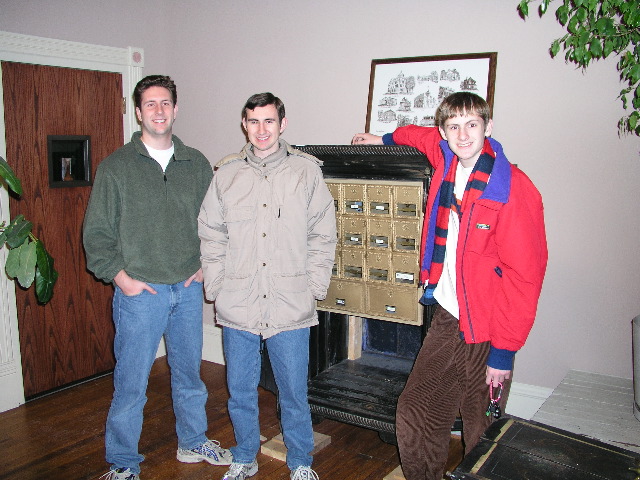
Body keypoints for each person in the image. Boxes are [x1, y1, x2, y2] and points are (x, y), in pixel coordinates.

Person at [352, 92, 547, 480]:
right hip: (449, 314)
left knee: (482, 428)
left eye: (471, 124)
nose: (462, 134)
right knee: (415, 411)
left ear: (487, 127)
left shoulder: (512, 188)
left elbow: (526, 277)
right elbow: (419, 136)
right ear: (444, 131)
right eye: (453, 126)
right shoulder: (444, 159)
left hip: (490, 327)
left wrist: (504, 355)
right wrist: (385, 139)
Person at [83, 75, 231, 480]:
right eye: (150, 104)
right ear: (138, 112)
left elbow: (215, 222)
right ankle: (123, 463)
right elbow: (96, 234)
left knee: (190, 376)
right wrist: (121, 279)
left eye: (165, 103)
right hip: (140, 294)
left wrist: (205, 265)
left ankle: (192, 441)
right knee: (130, 384)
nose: (159, 111)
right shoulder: (116, 168)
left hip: (186, 288)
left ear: (176, 109)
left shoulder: (196, 163)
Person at [198, 92, 337, 480]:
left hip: (290, 302)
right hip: (238, 301)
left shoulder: (306, 172)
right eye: (254, 121)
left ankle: (301, 462)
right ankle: (244, 456)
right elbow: (211, 233)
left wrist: (313, 286)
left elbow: (323, 233)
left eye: (269, 121)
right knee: (239, 390)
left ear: (283, 124)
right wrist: (218, 286)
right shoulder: (225, 174)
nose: (261, 130)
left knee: (293, 393)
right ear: (245, 124)